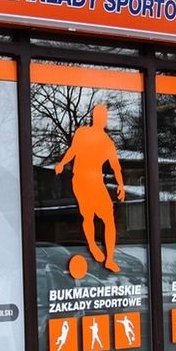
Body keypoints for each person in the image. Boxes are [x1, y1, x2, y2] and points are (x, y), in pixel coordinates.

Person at [55, 104, 126, 272]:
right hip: (81, 179)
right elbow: (73, 150)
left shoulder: (107, 141)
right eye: (99, 115)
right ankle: (92, 245)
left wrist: (121, 185)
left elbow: (115, 166)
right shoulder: (82, 132)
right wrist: (62, 163)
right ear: (94, 117)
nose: (102, 119)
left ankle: (109, 259)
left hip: (96, 181)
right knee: (88, 214)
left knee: (109, 217)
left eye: (104, 116)